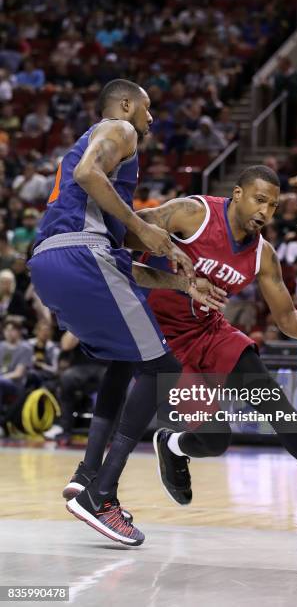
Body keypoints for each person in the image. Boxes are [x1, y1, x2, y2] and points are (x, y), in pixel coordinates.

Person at [134, 165, 297, 537]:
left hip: (210, 331)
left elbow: (285, 316)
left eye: (273, 206)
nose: (265, 212)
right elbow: (128, 229)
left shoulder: (263, 255)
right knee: (215, 440)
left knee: (272, 400)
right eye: (260, 200)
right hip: (163, 341)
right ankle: (172, 443)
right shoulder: (193, 214)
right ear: (238, 194)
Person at [28, 78, 224, 547]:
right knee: (162, 368)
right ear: (123, 105)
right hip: (81, 257)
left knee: (125, 357)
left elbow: (121, 265)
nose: (151, 117)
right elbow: (87, 175)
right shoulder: (119, 129)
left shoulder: (102, 178)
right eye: (147, 107)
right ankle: (101, 495)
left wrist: (182, 280)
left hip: (51, 263)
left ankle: (86, 473)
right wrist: (141, 225)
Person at [0, 318, 33, 420]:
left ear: (19, 332)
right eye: (6, 330)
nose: (9, 333)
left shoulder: (25, 348)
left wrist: (1, 377)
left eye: (12, 330)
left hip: (16, 384)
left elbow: (18, 373)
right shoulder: (1, 346)